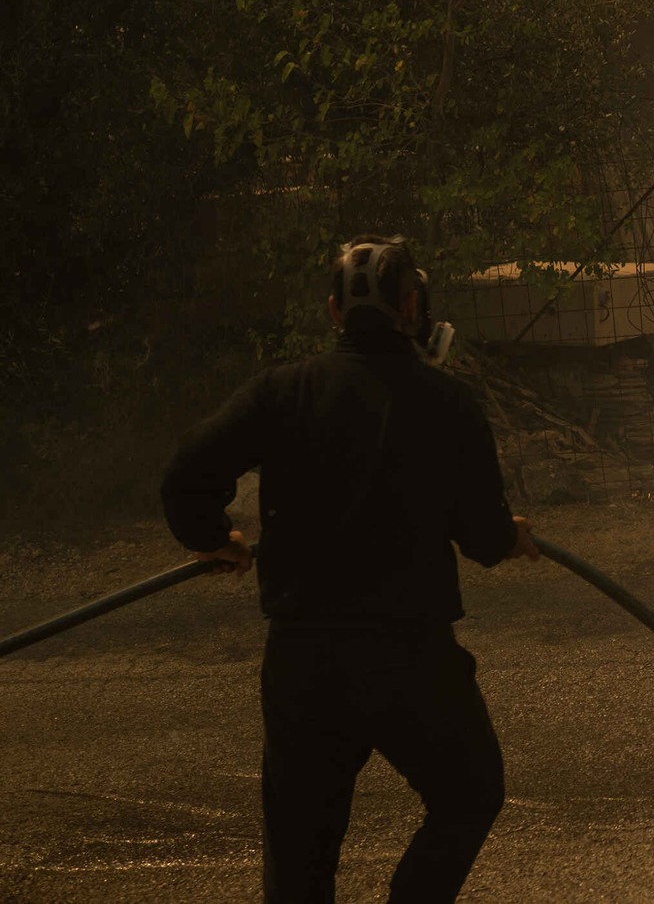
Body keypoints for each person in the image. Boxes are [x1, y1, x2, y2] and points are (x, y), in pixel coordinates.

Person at [161, 235, 536, 903]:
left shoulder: (284, 391)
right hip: (412, 662)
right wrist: (512, 537)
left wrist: (213, 537)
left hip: (306, 663)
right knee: (470, 791)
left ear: (335, 311)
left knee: (301, 856)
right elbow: (481, 535)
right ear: (412, 305)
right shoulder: (447, 402)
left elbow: (187, 470)